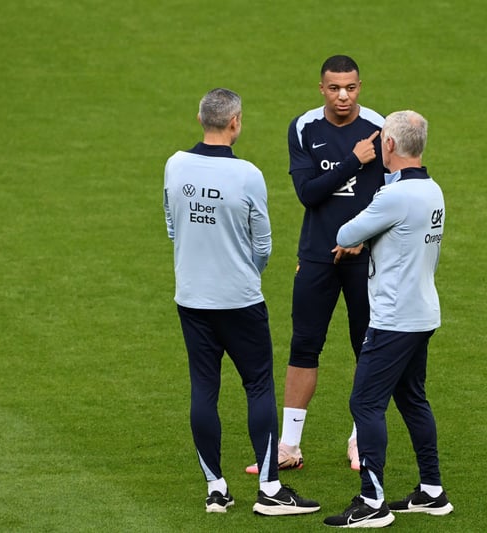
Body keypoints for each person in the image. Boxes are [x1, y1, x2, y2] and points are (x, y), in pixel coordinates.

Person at [163, 88, 319, 516]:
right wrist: (246, 272)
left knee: (204, 389)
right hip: (239, 301)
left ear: (201, 119)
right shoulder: (247, 174)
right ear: (235, 122)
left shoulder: (175, 165)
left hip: (191, 297)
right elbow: (263, 243)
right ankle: (270, 490)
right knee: (258, 386)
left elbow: (173, 226)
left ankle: (215, 488)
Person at [246, 55, 384, 475]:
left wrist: (363, 239)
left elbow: (392, 199)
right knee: (304, 346)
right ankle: (289, 445)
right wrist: (354, 162)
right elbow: (308, 193)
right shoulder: (304, 127)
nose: (343, 96)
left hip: (366, 258)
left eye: (351, 87)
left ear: (360, 87)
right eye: (334, 88)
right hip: (317, 256)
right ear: (321, 88)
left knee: (367, 347)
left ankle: (360, 439)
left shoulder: (381, 129)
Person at [323, 110, 453, 528]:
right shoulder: (433, 190)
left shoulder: (394, 196)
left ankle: (372, 501)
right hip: (422, 313)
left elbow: (345, 235)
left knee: (364, 403)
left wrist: (363, 239)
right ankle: (431, 491)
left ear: (391, 145)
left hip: (394, 319)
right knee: (412, 400)